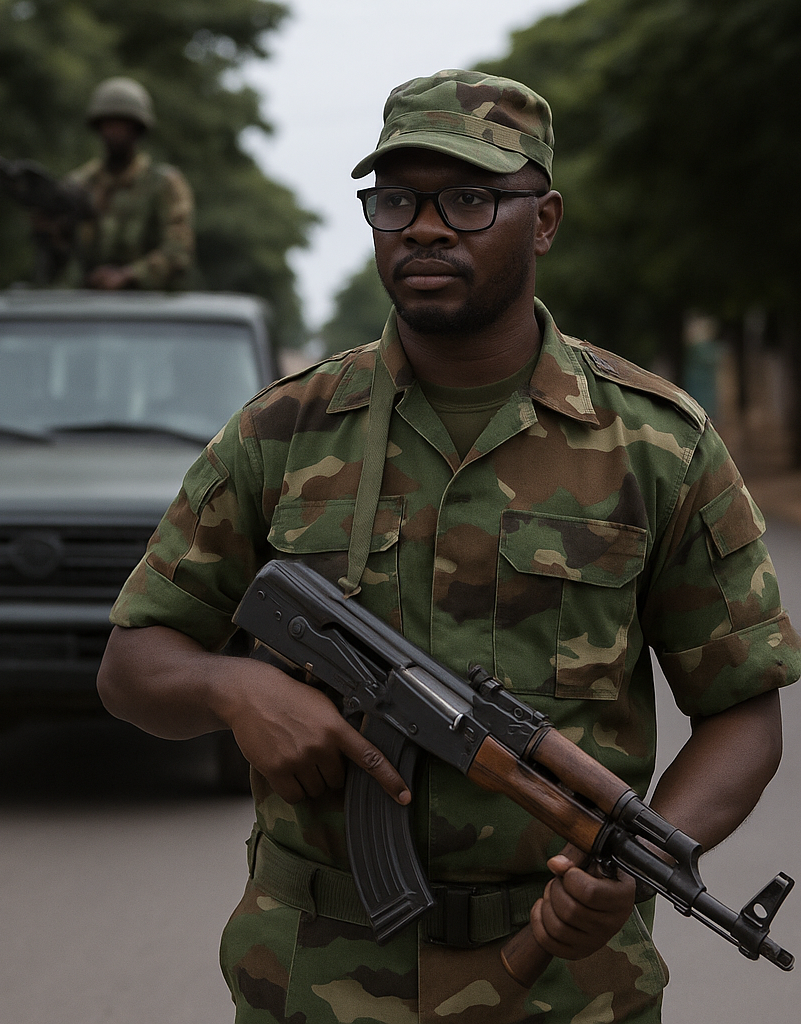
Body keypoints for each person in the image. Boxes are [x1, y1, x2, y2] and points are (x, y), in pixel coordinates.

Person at [96, 69, 800, 1022]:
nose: (425, 226)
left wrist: (636, 866)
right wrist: (235, 688)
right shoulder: (282, 432)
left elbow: (743, 712)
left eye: (470, 198)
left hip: (569, 990)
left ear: (543, 220)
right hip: (315, 976)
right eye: (396, 200)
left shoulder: (658, 444)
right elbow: (134, 662)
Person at [43, 76, 195, 290]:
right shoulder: (78, 184)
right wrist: (48, 228)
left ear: (138, 129)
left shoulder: (164, 184)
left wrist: (130, 275)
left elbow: (178, 250)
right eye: (109, 124)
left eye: (123, 125)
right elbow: (59, 257)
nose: (115, 132)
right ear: (99, 127)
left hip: (151, 307)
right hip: (85, 303)